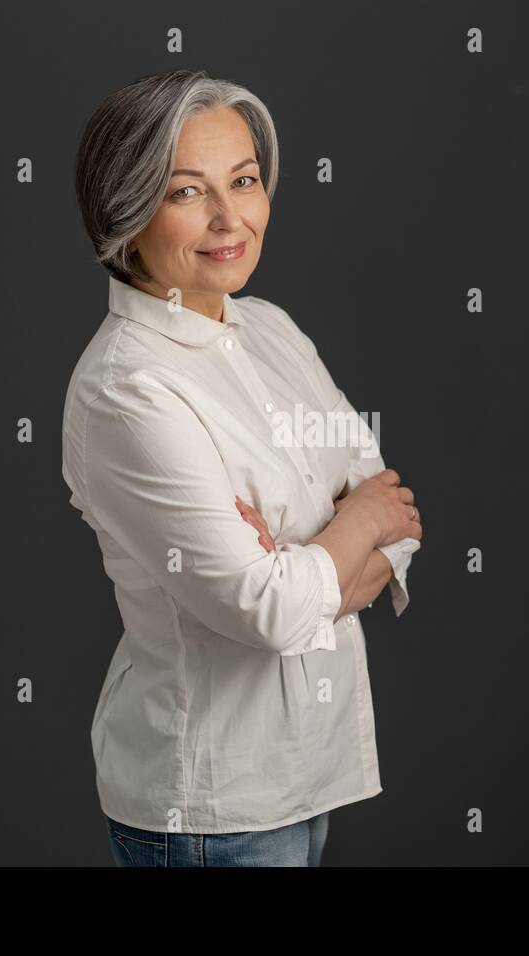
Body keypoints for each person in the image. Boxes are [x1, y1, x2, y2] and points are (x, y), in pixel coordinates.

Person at [63, 69, 422, 866]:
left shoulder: (269, 328)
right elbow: (268, 607)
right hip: (211, 803)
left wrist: (305, 561)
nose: (232, 218)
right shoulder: (127, 389)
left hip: (308, 772)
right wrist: (348, 524)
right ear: (124, 210)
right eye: (188, 191)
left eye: (246, 181)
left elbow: (396, 513)